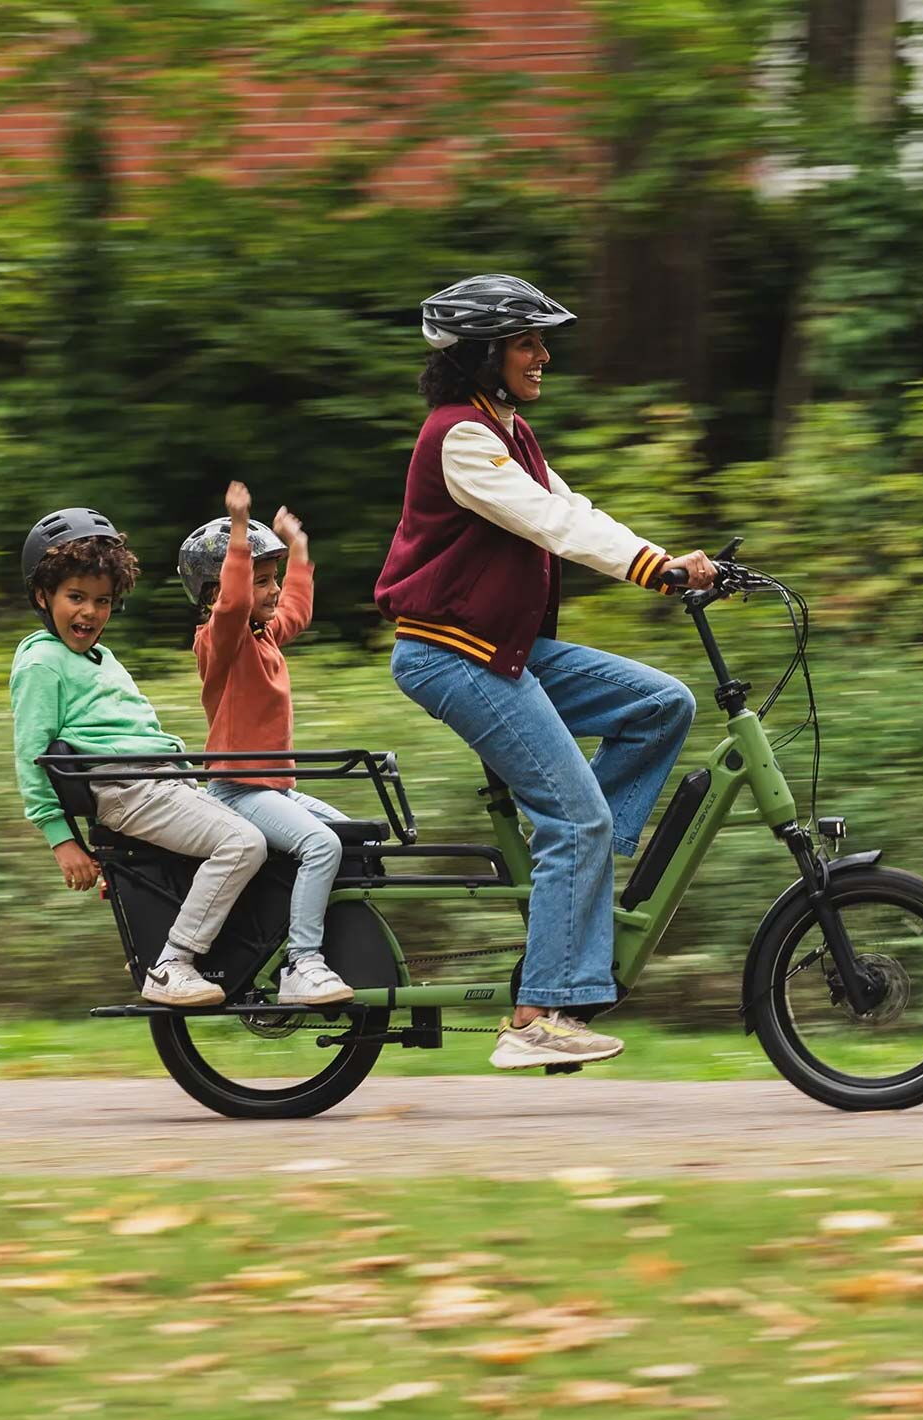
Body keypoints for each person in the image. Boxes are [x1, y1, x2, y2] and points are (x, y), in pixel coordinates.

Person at [375, 274, 717, 1071]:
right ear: (484, 354)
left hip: (502, 647)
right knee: (576, 818)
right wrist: (653, 571)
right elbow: (549, 523)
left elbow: (576, 508)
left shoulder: (510, 432)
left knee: (661, 705)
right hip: (450, 654)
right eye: (527, 343)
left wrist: (667, 558)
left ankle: (576, 872)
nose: (543, 356)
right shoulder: (459, 438)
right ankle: (536, 1016)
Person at [11, 507, 268, 1009]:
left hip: (160, 782)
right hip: (125, 789)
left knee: (270, 833)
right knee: (242, 843)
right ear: (43, 596)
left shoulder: (101, 658)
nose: (90, 613)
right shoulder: (41, 663)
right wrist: (61, 840)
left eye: (103, 600)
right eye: (76, 597)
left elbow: (138, 730)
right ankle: (173, 964)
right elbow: (32, 756)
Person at [179, 480, 354, 1007]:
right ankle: (302, 964)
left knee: (354, 839)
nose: (273, 590)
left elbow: (296, 609)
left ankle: (312, 943)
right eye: (262, 580)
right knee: (321, 845)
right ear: (216, 592)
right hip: (238, 788)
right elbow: (234, 605)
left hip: (272, 788)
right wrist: (239, 530)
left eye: (273, 579)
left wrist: (298, 549)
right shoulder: (220, 640)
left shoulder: (264, 636)